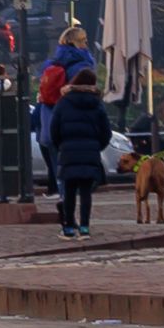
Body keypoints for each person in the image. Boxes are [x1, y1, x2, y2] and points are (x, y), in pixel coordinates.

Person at [42, 49, 112, 237]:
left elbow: (54, 129)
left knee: (70, 191)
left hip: (68, 152)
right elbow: (106, 131)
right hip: (90, 152)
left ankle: (69, 227)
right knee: (86, 193)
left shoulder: (64, 103)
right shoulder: (97, 104)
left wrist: (61, 145)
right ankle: (85, 227)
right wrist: (97, 146)